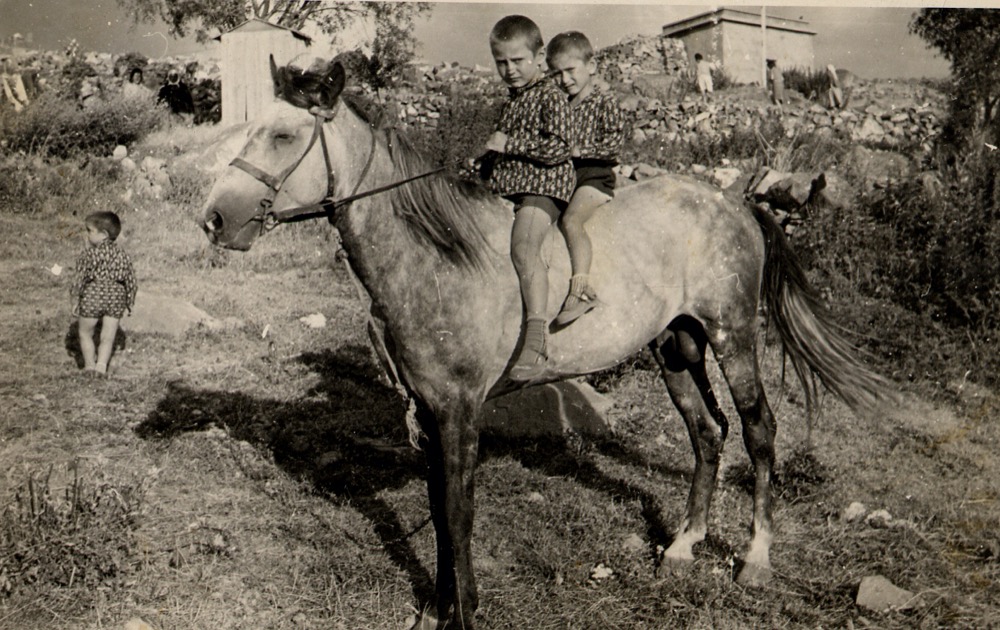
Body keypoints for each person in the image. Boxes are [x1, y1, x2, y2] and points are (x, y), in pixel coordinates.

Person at [484, 15, 575, 380]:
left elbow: (560, 147)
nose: (509, 70)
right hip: (512, 188)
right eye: (501, 62)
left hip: (544, 186)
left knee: (524, 247)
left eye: (517, 61)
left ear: (539, 57)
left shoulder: (550, 95)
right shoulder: (512, 101)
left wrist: (510, 144)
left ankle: (536, 340)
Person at [545, 31, 625, 326]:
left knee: (571, 221)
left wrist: (582, 150)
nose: (564, 80)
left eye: (570, 70)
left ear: (591, 66)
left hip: (595, 176)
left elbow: (614, 144)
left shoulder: (605, 102)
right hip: (567, 177)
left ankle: (582, 292)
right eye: (556, 74)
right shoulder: (562, 107)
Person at [71, 211, 137, 376]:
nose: (87, 235)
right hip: (116, 297)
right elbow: (131, 281)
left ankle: (89, 366)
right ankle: (101, 367)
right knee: (108, 337)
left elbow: (79, 279)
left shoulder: (88, 254)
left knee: (85, 333)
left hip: (93, 294)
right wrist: (129, 302)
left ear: (103, 235)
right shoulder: (123, 256)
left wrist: (75, 299)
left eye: (90, 231)